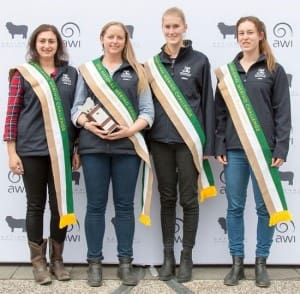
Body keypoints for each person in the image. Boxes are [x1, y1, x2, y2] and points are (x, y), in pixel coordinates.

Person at [71, 21, 154, 287]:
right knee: (95, 206)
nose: (115, 41)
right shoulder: (88, 71)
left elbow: (147, 112)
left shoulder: (138, 71)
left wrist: (129, 130)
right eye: (110, 37)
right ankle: (94, 263)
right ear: (102, 39)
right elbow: (76, 110)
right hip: (93, 146)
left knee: (124, 206)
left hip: (126, 147)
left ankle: (125, 263)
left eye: (120, 37)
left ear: (125, 40)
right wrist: (87, 123)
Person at [214, 16, 292, 288]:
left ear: (260, 35)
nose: (245, 37)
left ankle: (261, 262)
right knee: (234, 207)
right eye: (240, 33)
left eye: (250, 32)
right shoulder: (227, 73)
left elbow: (283, 111)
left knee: (264, 207)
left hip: (264, 151)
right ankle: (237, 264)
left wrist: (280, 146)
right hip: (234, 151)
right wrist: (219, 144)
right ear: (236, 37)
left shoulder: (273, 69)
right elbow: (220, 114)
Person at [3, 24, 80, 285]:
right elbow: (12, 115)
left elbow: (76, 114)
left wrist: (76, 148)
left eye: (51, 41)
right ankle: (38, 263)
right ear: (35, 45)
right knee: (35, 206)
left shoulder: (71, 74)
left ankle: (57, 261)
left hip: (62, 151)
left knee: (61, 207)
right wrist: (11, 152)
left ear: (58, 44)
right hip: (32, 150)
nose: (47, 45)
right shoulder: (23, 75)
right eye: (42, 41)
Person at [145, 7, 216, 283]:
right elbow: (146, 106)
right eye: (167, 27)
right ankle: (167, 257)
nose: (172, 31)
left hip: (189, 143)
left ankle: (187, 257)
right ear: (162, 28)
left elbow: (208, 105)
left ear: (185, 27)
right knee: (166, 199)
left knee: (188, 199)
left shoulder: (200, 61)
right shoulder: (152, 64)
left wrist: (208, 145)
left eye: (176, 26)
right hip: (160, 142)